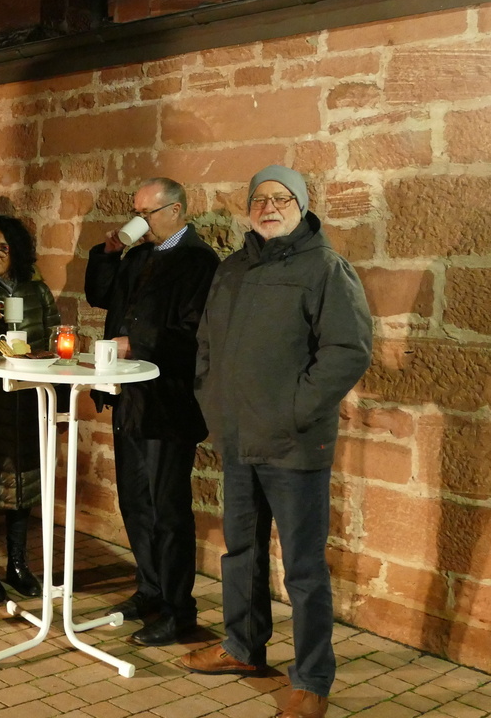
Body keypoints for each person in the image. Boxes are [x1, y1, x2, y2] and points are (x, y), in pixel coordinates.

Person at [180, 165, 372, 718]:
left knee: (304, 569)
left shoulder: (325, 267)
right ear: (249, 208)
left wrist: (293, 411)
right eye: (260, 198)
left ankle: (311, 679)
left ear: (302, 205)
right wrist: (212, 402)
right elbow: (207, 342)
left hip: (293, 444)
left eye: (281, 198)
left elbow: (347, 351)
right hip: (238, 439)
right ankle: (242, 647)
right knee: (240, 552)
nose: (269, 207)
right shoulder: (233, 269)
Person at [84, 177, 220, 646]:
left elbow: (196, 334)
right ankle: (150, 590)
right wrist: (108, 253)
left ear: (176, 211)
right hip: (129, 396)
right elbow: (100, 295)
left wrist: (134, 343)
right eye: (136, 212)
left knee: (168, 510)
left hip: (168, 403)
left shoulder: (199, 262)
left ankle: (179, 611)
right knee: (135, 502)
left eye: (147, 213)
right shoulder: (139, 256)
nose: (138, 220)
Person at [0, 215, 60, 603]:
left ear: (16, 251)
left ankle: (18, 564)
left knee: (25, 478)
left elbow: (52, 335)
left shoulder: (37, 291)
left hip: (27, 397)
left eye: (2, 247)